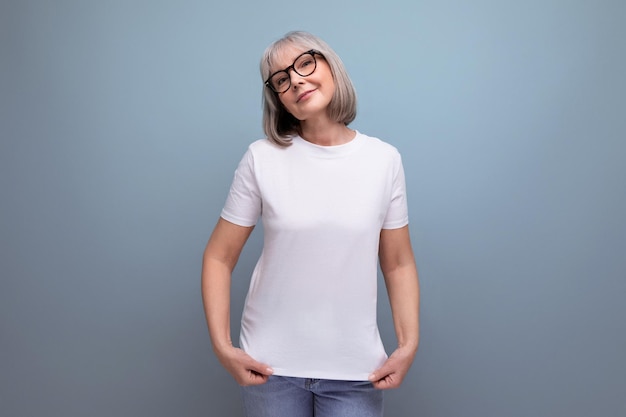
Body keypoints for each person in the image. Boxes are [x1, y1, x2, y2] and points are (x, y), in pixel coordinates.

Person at [201, 31, 420, 417]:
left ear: (331, 66)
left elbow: (398, 262)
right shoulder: (261, 158)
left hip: (356, 370)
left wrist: (408, 344)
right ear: (278, 98)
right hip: (270, 369)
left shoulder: (384, 160)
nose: (296, 80)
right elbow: (219, 256)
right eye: (282, 79)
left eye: (305, 63)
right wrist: (223, 346)